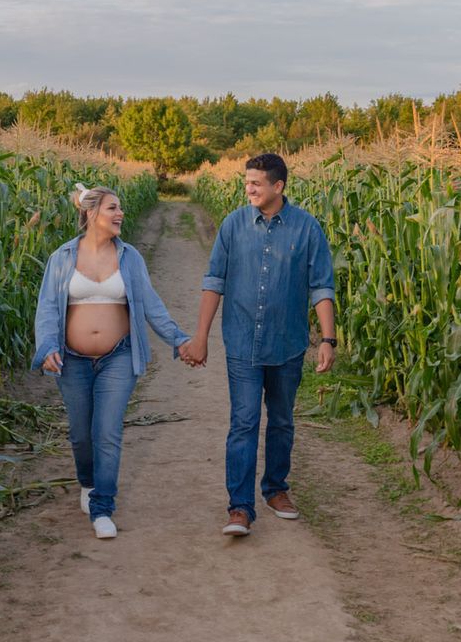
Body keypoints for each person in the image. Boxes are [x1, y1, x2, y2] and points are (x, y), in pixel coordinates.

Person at [177, 153, 337, 536]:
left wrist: (328, 339)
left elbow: (321, 286)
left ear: (278, 186)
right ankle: (240, 507)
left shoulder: (306, 228)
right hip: (243, 342)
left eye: (256, 183)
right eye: (246, 181)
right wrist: (201, 337)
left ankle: (276, 489)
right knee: (244, 422)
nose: (248, 189)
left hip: (288, 343)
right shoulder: (233, 225)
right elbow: (214, 280)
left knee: (281, 421)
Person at [32, 183, 191, 539]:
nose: (120, 214)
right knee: (80, 433)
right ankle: (88, 484)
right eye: (112, 208)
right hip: (72, 360)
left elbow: (151, 305)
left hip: (118, 356)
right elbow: (47, 309)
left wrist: (179, 340)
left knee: (107, 431)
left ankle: (103, 507)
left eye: (120, 208)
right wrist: (46, 348)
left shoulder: (130, 257)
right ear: (90, 214)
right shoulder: (63, 257)